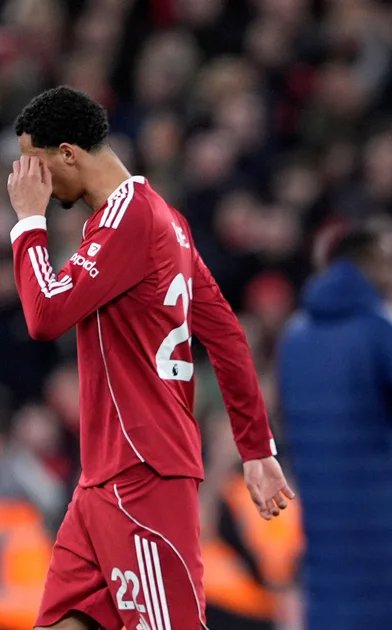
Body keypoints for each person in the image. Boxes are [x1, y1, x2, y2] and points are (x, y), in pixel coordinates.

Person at [6, 86, 293, 630]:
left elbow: (44, 315)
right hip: (103, 477)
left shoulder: (129, 221)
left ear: (67, 153)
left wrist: (27, 222)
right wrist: (256, 449)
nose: (28, 178)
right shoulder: (163, 220)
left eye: (34, 163)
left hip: (144, 473)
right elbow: (227, 335)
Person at [277, 219, 392, 630]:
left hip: (322, 522)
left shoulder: (294, 336)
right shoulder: (379, 326)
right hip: (384, 527)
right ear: (372, 265)